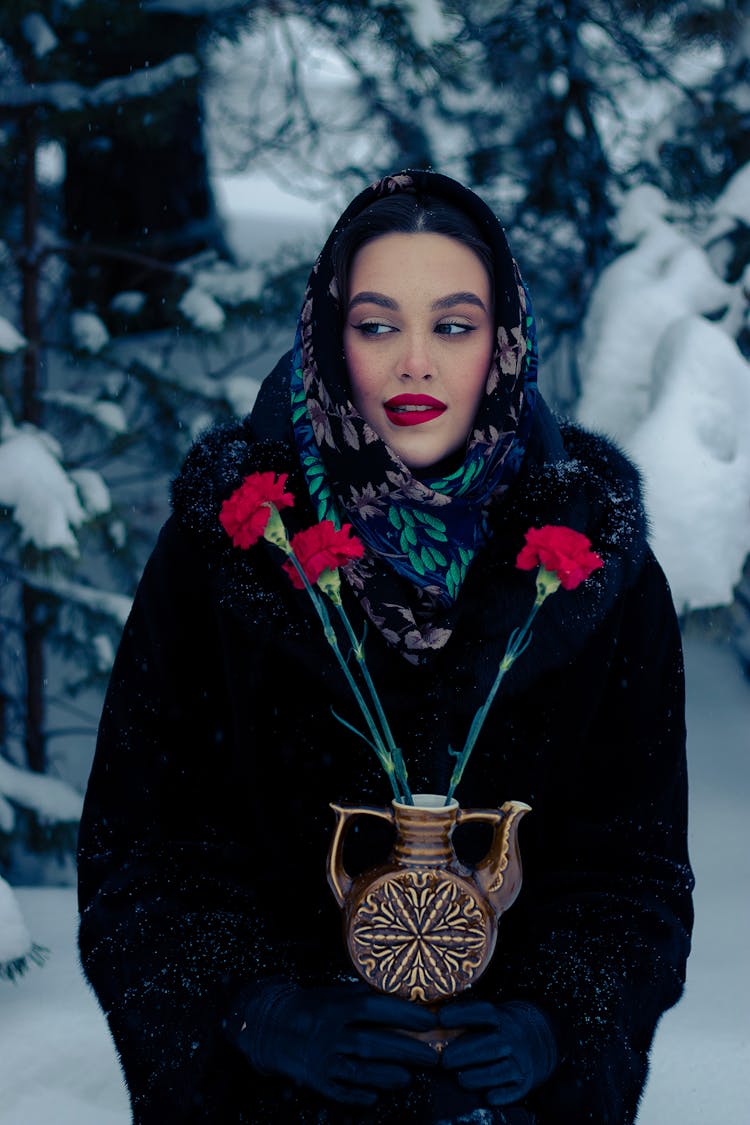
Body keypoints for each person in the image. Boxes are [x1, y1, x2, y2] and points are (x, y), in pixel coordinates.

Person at [77, 169, 694, 1124]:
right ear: (330, 335)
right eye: (376, 325)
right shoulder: (229, 552)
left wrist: (556, 1026)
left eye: (453, 325)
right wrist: (259, 1015)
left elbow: (635, 872)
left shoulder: (594, 566)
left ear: (503, 338)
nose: (415, 363)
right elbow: (140, 854)